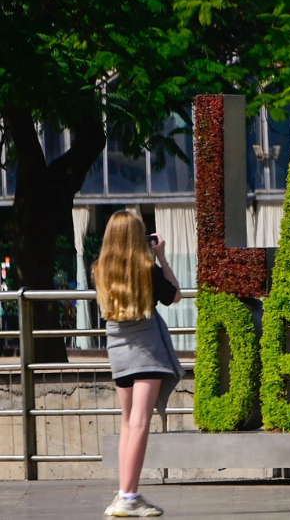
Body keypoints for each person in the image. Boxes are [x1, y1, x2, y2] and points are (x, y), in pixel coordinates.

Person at [95, 212, 183, 517]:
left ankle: (126, 492)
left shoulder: (101, 270)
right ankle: (128, 497)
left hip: (119, 354)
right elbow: (175, 296)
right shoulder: (147, 269)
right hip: (147, 353)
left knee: (128, 422)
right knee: (140, 424)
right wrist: (161, 257)